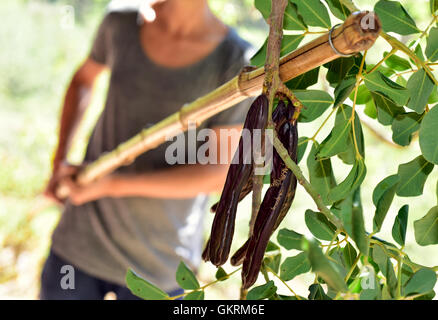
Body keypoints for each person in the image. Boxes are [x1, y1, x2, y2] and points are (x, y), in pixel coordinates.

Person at [41, 0, 252, 299]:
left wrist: (113, 185)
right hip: (79, 248)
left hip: (159, 265)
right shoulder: (121, 23)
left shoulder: (237, 61)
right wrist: (59, 161)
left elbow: (218, 175)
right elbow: (82, 81)